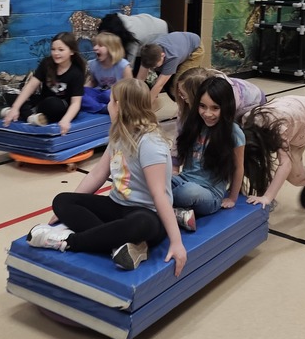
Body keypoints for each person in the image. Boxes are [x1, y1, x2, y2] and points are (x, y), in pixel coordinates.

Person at [27, 78, 187, 276]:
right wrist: (67, 209)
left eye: (111, 101)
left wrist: (176, 242)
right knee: (63, 200)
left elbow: (159, 194)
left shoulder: (150, 143)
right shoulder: (119, 134)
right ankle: (119, 245)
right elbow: (97, 174)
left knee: (141, 223)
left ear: (119, 106)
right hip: (117, 206)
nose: (109, 105)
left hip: (147, 214)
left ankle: (67, 242)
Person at [171, 75, 245, 231]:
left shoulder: (234, 133)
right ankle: (174, 212)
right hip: (184, 180)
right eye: (202, 106)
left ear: (226, 107)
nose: (207, 113)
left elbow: (238, 168)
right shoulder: (194, 124)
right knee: (158, 181)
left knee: (188, 191)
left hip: (209, 194)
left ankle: (161, 207)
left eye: (215, 108)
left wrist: (232, 198)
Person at [1, 31, 85, 135]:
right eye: (53, 49)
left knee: (53, 103)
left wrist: (66, 120)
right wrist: (15, 107)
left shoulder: (76, 73)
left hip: (60, 108)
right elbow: (31, 86)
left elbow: (76, 103)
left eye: (61, 50)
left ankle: (26, 114)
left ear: (71, 51)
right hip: (42, 103)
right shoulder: (47, 63)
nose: (56, 53)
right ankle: (31, 117)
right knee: (10, 94)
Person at [174, 67, 266, 127]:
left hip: (254, 103)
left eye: (183, 95)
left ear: (195, 95)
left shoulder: (226, 95)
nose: (180, 96)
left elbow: (224, 125)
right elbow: (182, 121)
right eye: (179, 92)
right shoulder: (201, 91)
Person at [136, 31, 205, 111]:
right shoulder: (148, 53)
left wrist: (144, 108)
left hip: (195, 49)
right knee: (162, 80)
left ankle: (187, 110)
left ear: (162, 55)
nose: (153, 68)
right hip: (180, 44)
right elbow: (140, 79)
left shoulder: (172, 57)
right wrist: (134, 99)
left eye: (155, 65)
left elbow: (159, 85)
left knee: (179, 85)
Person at [81, 31, 132, 113]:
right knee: (81, 94)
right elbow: (93, 82)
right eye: (95, 45)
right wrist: (82, 90)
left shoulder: (123, 65)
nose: (95, 48)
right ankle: (103, 108)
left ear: (112, 49)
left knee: (108, 94)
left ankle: (97, 106)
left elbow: (130, 88)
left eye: (100, 45)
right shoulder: (93, 64)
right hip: (100, 93)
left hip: (116, 95)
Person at [99, 12, 168, 68]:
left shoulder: (132, 37)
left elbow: (129, 65)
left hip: (162, 32)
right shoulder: (118, 20)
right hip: (151, 24)